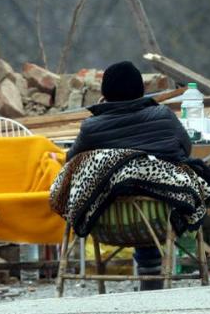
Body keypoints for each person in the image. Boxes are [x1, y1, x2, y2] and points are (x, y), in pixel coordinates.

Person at [66, 60, 192, 287]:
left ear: (104, 93)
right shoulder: (163, 116)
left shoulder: (91, 128)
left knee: (129, 189)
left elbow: (71, 162)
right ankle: (152, 270)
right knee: (152, 190)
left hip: (106, 222)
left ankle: (148, 270)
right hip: (162, 219)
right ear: (141, 90)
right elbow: (186, 149)